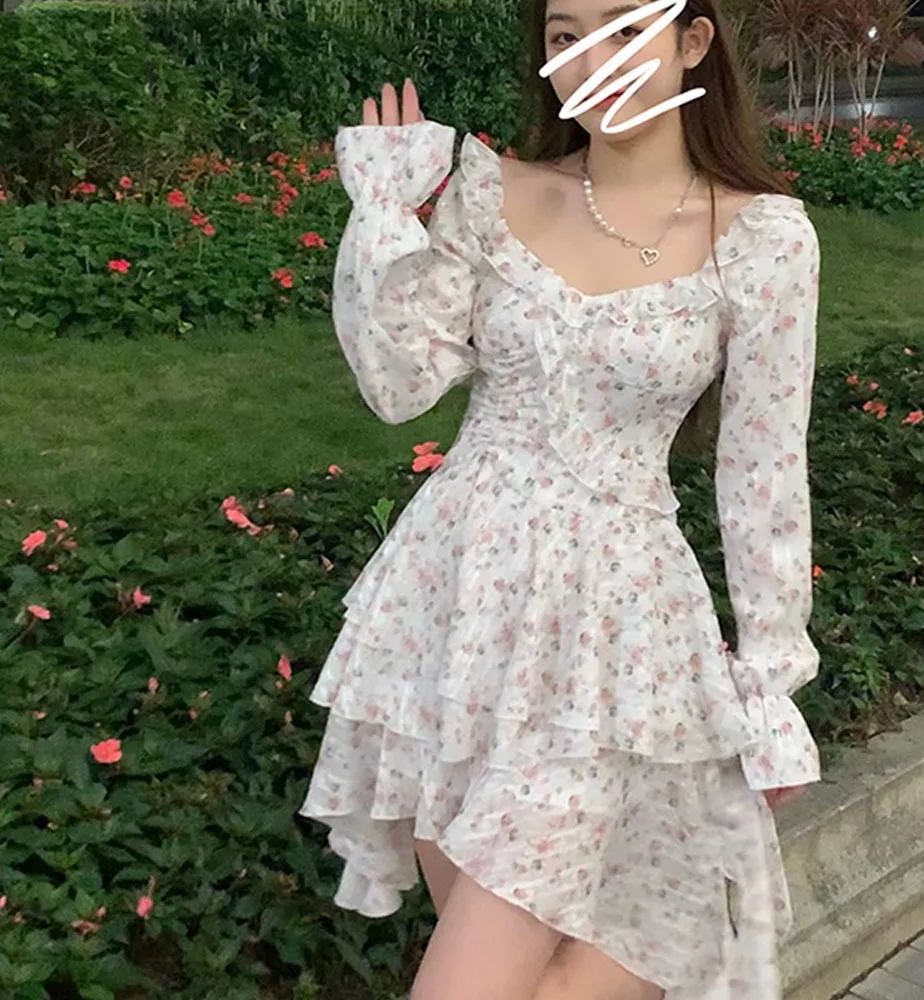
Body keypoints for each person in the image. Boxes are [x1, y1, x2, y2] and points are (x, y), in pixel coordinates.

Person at [298, 0, 823, 997]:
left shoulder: (763, 241)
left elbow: (762, 474)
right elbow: (400, 383)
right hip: (453, 619)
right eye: (564, 36)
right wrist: (386, 215)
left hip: (614, 647)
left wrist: (769, 682)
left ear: (693, 42)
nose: (591, 60)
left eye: (625, 29)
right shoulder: (491, 193)